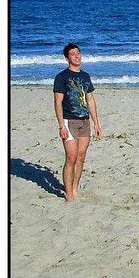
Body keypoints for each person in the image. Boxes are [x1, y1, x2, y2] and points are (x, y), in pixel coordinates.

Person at [53, 43, 102, 202]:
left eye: (78, 53)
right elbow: (58, 102)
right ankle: (69, 194)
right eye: (73, 54)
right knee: (71, 158)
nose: (77, 56)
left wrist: (96, 123)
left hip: (84, 121)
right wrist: (61, 125)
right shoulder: (62, 77)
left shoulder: (85, 76)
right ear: (67, 58)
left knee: (81, 157)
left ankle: (75, 189)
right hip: (69, 121)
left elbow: (90, 100)